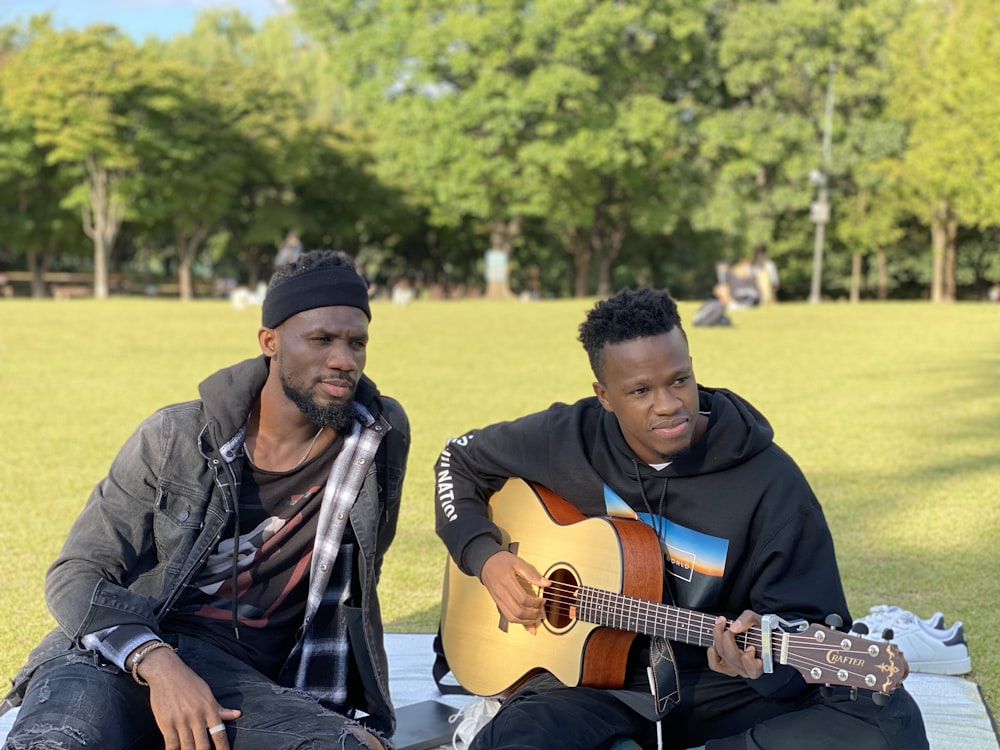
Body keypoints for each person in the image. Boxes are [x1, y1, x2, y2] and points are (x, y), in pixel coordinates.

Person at [433, 288, 927, 750]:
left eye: (679, 381)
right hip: (597, 685)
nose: (668, 405)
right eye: (640, 391)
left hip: (718, 687)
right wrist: (487, 558)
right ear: (604, 396)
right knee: (521, 734)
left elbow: (810, 621)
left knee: (888, 720)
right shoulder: (570, 436)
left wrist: (760, 655)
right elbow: (455, 459)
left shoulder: (771, 484)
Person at [1, 251, 410, 750]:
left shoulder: (376, 438)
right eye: (321, 339)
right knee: (56, 743)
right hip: (119, 655)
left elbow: (363, 576)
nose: (343, 360)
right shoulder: (175, 436)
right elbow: (77, 572)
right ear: (270, 342)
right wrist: (158, 662)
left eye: (357, 342)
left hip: (242, 684)